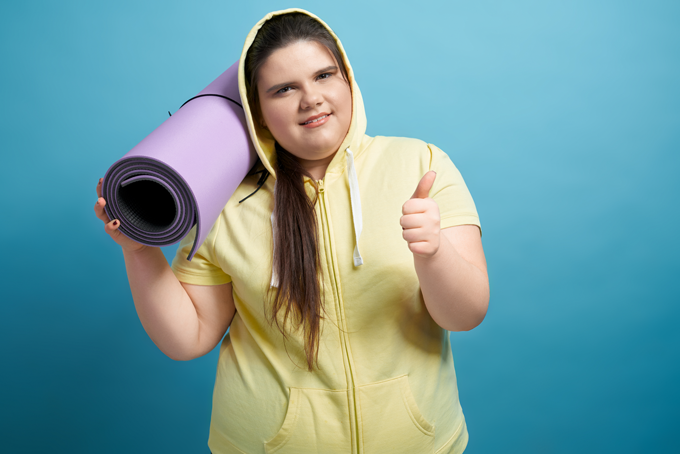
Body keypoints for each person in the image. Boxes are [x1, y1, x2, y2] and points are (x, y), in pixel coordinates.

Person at [94, 8, 489, 454]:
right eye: (284, 89)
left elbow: (466, 315)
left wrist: (433, 253)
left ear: (348, 80)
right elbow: (191, 337)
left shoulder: (422, 164)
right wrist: (138, 251)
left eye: (324, 76)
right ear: (258, 110)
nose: (312, 99)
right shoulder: (225, 200)